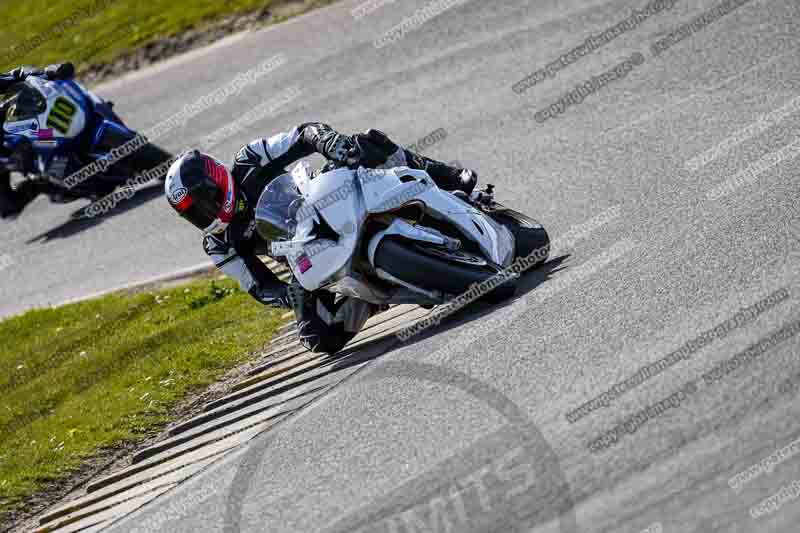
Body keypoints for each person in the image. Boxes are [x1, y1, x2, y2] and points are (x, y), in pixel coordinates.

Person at [165, 125, 478, 353]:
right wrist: (293, 293)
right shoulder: (219, 244)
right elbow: (260, 286)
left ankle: (447, 178)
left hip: (325, 199)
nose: (205, 213)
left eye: (204, 200)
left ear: (217, 180)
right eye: (194, 213)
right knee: (317, 337)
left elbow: (304, 134)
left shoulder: (250, 159)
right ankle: (373, 297)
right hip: (308, 259)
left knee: (366, 143)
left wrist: (330, 143)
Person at [0, 62, 75, 217]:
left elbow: (14, 76)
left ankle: (69, 151)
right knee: (9, 206)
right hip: (7, 151)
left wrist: (46, 73)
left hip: (11, 127)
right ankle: (48, 183)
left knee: (41, 132)